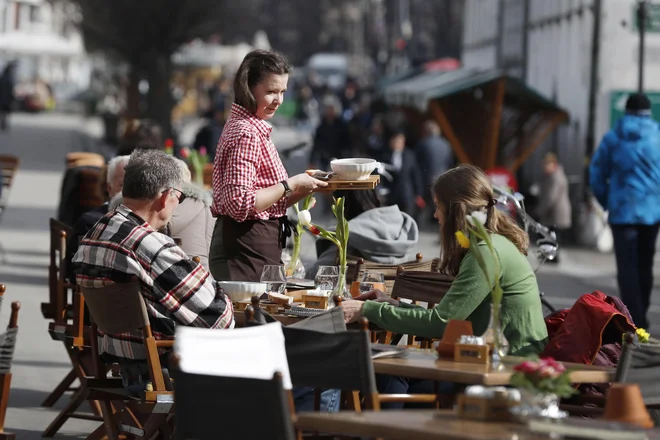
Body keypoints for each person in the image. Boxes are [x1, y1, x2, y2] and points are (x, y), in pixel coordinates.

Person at [341, 165, 548, 407]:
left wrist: (365, 310)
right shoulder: (492, 244)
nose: (436, 215)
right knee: (395, 371)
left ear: (456, 211)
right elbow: (448, 320)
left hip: (508, 372)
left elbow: (441, 323)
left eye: (438, 206)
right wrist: (393, 304)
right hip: (500, 362)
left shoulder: (486, 253)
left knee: (389, 370)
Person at [73, 149, 234, 366]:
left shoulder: (96, 231)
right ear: (166, 197)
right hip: (162, 364)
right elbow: (221, 319)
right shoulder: (152, 247)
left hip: (117, 360)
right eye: (179, 196)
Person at [209, 50, 328, 282]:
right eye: (271, 91)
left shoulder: (252, 127)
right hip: (242, 249)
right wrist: (291, 183)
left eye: (282, 91)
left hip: (252, 245)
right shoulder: (247, 133)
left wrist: (307, 186)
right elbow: (240, 203)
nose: (279, 100)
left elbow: (266, 203)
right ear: (248, 89)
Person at [590, 93, 660, 329]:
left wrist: (608, 201)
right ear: (648, 112)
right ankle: (641, 316)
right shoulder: (657, 136)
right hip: (652, 213)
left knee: (627, 268)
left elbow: (597, 174)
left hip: (622, 213)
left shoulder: (613, 138)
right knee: (645, 265)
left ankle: (634, 319)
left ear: (626, 111)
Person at [306, 189, 419, 279]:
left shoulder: (346, 237)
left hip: (352, 304)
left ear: (343, 205)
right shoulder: (400, 227)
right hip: (398, 303)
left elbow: (315, 274)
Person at [66, 155, 129, 280]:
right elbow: (73, 272)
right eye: (122, 186)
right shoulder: (90, 222)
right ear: (109, 188)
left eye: (135, 187)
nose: (128, 193)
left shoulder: (153, 223)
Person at [415, 120, 454, 220]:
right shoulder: (446, 144)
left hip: (426, 178)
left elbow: (417, 163)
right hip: (442, 178)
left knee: (423, 202)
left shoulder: (423, 143)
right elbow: (449, 163)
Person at [383, 130, 425, 221]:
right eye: (395, 141)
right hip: (391, 195)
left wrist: (418, 194)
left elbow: (415, 175)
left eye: (399, 141)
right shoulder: (385, 155)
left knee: (407, 219)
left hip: (406, 194)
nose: (396, 143)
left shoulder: (409, 155)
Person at [536, 152, 572, 255]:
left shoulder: (555, 177)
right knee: (552, 235)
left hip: (556, 213)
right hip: (553, 213)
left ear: (553, 164)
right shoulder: (552, 176)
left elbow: (551, 197)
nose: (544, 167)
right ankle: (552, 255)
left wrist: (540, 211)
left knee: (553, 236)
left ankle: (553, 256)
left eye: (546, 164)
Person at [0, 61, 16, 131]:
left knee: (3, 111)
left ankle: (3, 123)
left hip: (3, 97)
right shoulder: (9, 78)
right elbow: (11, 89)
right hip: (6, 98)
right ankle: (4, 123)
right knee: (5, 112)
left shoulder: (3, 77)